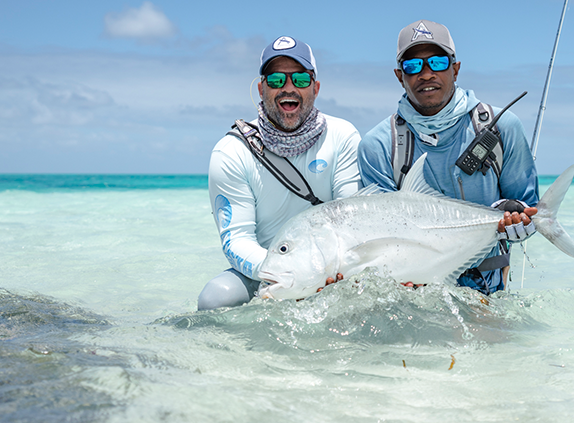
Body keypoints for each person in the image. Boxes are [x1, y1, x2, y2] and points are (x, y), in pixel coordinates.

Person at [357, 20, 539, 295]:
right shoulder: (378, 145)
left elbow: (530, 210)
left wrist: (520, 221)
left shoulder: (503, 127)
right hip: (413, 295)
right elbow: (381, 235)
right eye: (413, 65)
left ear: (455, 69)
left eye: (438, 62)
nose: (426, 74)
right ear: (399, 75)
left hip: (488, 294)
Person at [198, 36, 361, 310]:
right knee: (215, 298)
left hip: (334, 270)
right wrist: (291, 276)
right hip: (268, 275)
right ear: (262, 88)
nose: (288, 88)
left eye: (299, 79)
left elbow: (354, 223)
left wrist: (324, 274)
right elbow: (236, 241)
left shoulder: (342, 136)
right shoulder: (231, 151)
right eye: (276, 80)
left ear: (315, 87)